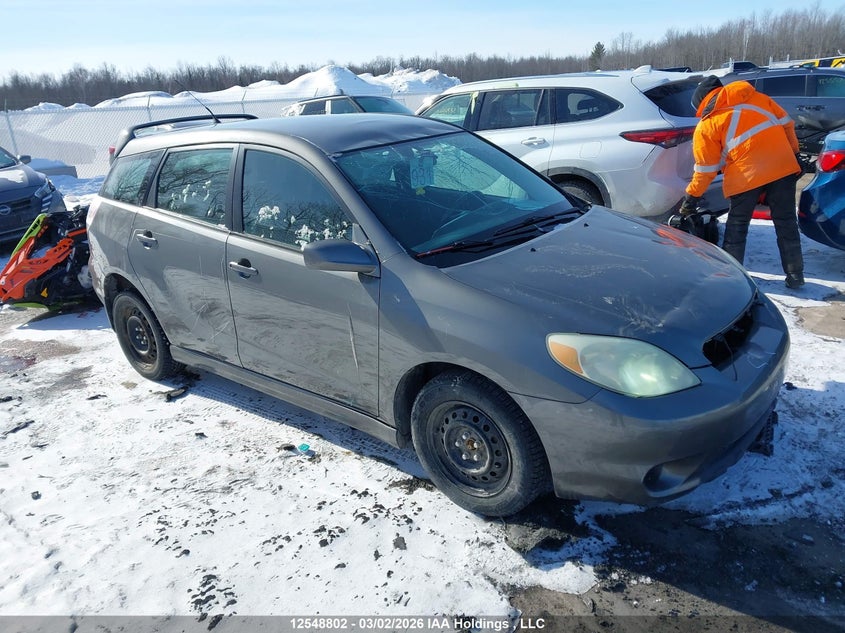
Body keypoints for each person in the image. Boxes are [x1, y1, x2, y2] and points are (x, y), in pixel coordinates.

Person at [679, 75, 805, 289]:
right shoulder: (760, 99)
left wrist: (690, 200)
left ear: (701, 102)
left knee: (737, 226)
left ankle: (732, 279)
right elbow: (788, 125)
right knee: (786, 223)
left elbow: (705, 170)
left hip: (745, 176)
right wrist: (794, 155)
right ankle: (795, 276)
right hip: (782, 166)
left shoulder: (708, 124)